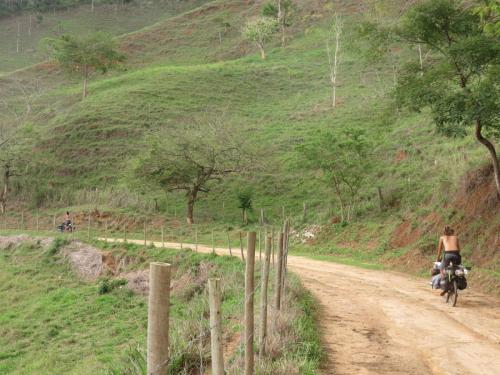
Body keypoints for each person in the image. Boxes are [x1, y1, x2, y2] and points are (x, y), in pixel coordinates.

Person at [436, 226, 461, 295]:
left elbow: (439, 250)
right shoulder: (455, 237)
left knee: (441, 268)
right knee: (457, 267)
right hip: (456, 254)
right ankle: (456, 280)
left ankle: (445, 284)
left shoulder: (442, 238)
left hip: (447, 255)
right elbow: (459, 249)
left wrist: (437, 259)